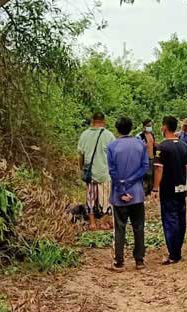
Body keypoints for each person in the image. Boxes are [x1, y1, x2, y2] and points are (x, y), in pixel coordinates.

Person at [107, 117, 150, 271]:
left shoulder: (112, 146)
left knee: (119, 228)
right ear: (131, 128)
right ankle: (139, 260)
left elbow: (112, 171)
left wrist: (122, 186)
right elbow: (145, 167)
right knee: (138, 226)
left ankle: (119, 261)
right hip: (137, 193)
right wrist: (131, 182)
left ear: (117, 129)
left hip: (119, 194)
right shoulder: (140, 144)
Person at [153, 116, 187, 265]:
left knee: (170, 219)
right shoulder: (184, 145)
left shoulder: (162, 148)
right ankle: (178, 249)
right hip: (181, 186)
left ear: (165, 127)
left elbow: (158, 169)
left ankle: (173, 253)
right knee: (181, 217)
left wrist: (156, 188)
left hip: (168, 188)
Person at [78, 112, 116, 230]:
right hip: (104, 172)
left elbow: (80, 155)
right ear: (104, 121)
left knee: (90, 198)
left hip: (90, 173)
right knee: (106, 199)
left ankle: (92, 223)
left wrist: (82, 168)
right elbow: (114, 155)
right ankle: (104, 222)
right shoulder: (109, 135)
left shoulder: (84, 135)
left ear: (92, 120)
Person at [136, 119, 157, 195]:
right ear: (144, 126)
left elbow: (154, 144)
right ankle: (144, 192)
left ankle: (150, 191)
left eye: (150, 125)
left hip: (152, 157)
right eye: (148, 125)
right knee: (145, 175)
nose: (149, 127)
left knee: (151, 175)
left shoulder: (152, 134)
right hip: (144, 158)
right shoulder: (139, 136)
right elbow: (137, 147)